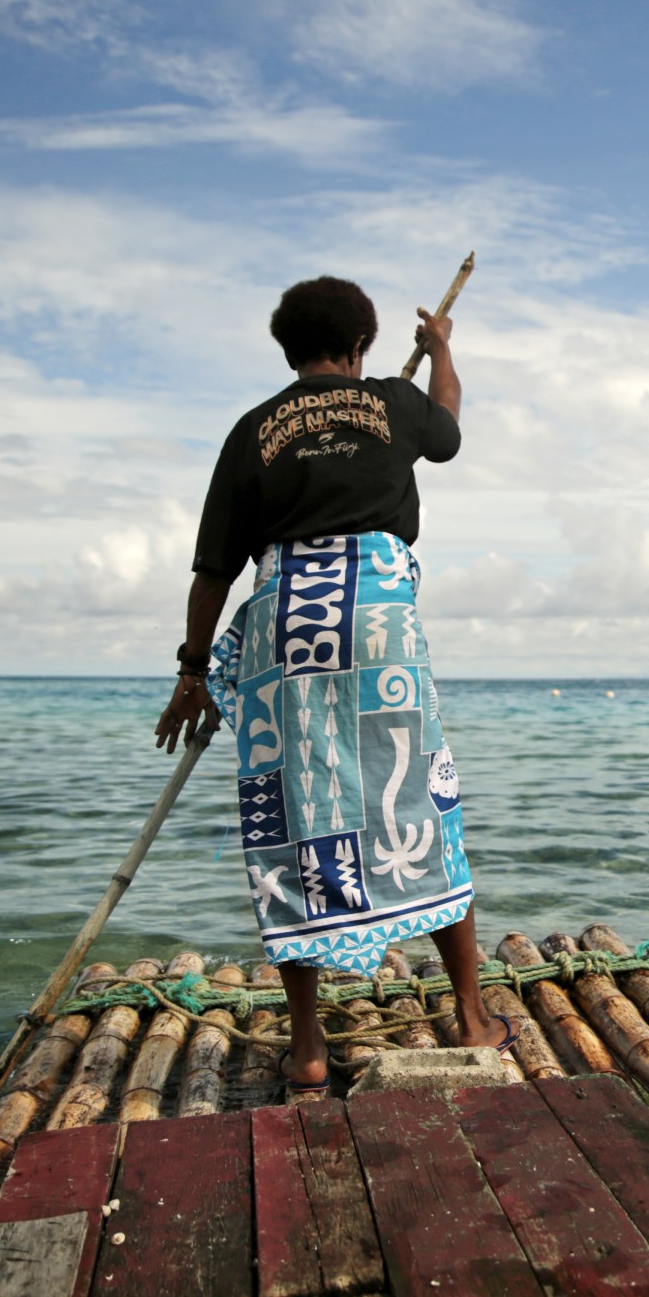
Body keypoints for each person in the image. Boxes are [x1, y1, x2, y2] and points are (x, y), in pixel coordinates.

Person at [154, 276, 513, 1096]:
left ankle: (309, 1046)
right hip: (376, 613)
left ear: (290, 349)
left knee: (292, 814)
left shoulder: (253, 430)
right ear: (362, 345)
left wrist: (190, 671)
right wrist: (445, 348)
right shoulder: (393, 399)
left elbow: (216, 567)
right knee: (420, 793)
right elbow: (449, 425)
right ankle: (470, 1014)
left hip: (284, 621)